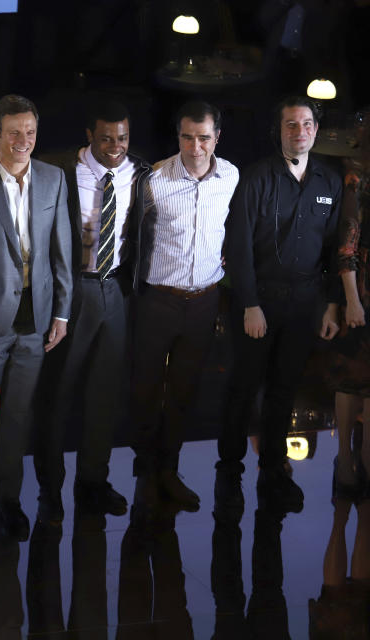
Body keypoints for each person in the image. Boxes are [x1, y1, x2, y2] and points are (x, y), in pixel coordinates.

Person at [217, 96, 342, 515]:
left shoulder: (329, 181)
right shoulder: (256, 178)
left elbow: (331, 250)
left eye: (307, 124)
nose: (300, 131)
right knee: (244, 387)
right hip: (259, 301)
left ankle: (273, 473)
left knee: (284, 390)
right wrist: (249, 303)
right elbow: (238, 247)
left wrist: (329, 304)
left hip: (305, 301)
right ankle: (229, 473)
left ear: (316, 131)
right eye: (292, 125)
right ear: (280, 131)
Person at [0, 94, 72, 543]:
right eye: (14, 132)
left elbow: (61, 252)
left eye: (30, 131)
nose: (24, 140)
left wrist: (61, 312)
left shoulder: (53, 179)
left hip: (37, 322)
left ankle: (8, 502)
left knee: (17, 418)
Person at [36, 100, 151, 526]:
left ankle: (93, 483)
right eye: (106, 138)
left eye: (122, 138)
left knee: (104, 398)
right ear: (89, 135)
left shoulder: (141, 173)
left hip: (116, 291)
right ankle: (50, 490)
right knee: (57, 396)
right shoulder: (56, 170)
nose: (115, 146)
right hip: (69, 295)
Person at [131, 101, 239, 512]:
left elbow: (232, 227)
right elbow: (133, 240)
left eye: (204, 137)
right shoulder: (154, 179)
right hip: (158, 298)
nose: (196, 146)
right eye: (188, 137)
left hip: (204, 300)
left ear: (217, 138)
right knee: (144, 389)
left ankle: (169, 471)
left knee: (184, 391)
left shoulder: (230, 175)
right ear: (178, 136)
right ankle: (145, 471)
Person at [325, 108, 370, 507]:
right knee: (352, 377)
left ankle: (366, 458)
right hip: (361, 289)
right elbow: (346, 247)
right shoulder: (358, 179)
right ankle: (343, 461)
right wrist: (352, 300)